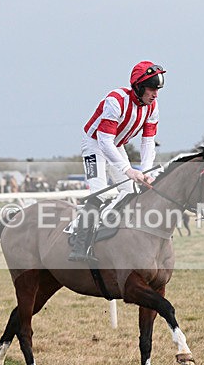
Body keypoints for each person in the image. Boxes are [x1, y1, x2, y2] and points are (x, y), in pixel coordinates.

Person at [68, 60, 165, 262]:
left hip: (116, 144)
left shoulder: (152, 107)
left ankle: (116, 236)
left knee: (130, 191)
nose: (155, 94)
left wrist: (145, 172)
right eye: (151, 89)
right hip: (95, 143)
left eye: (157, 89)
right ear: (139, 87)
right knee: (100, 193)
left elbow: (148, 142)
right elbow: (104, 142)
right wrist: (129, 170)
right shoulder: (115, 101)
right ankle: (80, 245)